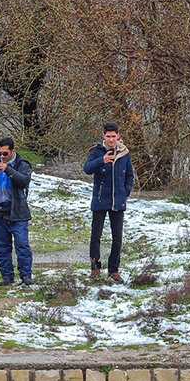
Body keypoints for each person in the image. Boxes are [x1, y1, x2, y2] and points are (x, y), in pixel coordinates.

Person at [83, 121, 134, 283]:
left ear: (118, 136)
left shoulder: (124, 153)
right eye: (108, 136)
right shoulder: (97, 152)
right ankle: (95, 268)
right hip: (100, 199)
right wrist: (102, 161)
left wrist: (125, 192)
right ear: (103, 136)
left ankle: (114, 270)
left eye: (114, 136)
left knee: (117, 238)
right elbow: (87, 168)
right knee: (95, 236)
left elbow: (130, 176)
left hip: (118, 201)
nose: (111, 139)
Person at [0, 137, 34, 286]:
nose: (1, 157)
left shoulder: (23, 165)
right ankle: (7, 276)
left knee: (22, 246)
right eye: (0, 153)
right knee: (1, 247)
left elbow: (24, 181)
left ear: (12, 151)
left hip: (17, 212)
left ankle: (26, 276)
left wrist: (8, 169)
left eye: (5, 154)